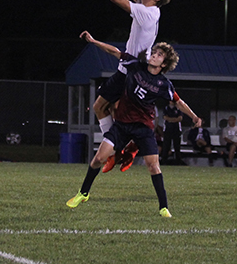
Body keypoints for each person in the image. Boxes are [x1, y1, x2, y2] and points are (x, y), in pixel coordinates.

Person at [67, 31, 201, 218]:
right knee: (98, 159)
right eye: (154, 52)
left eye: (159, 55)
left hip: (143, 128)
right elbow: (115, 52)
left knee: (153, 166)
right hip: (121, 124)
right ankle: (83, 193)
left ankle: (164, 208)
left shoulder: (163, 84)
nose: (154, 55)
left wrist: (194, 117)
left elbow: (179, 101)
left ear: (163, 64)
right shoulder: (136, 66)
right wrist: (93, 41)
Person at [90, 0, 173, 172]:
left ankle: (118, 149)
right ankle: (121, 149)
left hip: (132, 72)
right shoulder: (147, 8)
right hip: (128, 68)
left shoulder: (148, 13)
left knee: (108, 109)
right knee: (104, 108)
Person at [161, 100, 184, 164]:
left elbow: (180, 118)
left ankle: (178, 161)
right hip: (168, 129)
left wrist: (171, 120)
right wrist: (173, 119)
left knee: (177, 146)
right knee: (166, 146)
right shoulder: (166, 108)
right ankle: (164, 161)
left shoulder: (178, 108)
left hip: (176, 130)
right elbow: (165, 117)